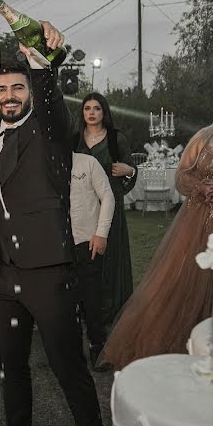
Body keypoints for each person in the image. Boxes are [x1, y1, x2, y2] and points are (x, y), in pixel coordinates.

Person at [0, 21, 103, 426]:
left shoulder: (49, 133)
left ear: (27, 92)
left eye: (16, 87)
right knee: (11, 367)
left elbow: (49, 100)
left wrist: (41, 62)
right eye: (1, 88)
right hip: (4, 277)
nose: (8, 95)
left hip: (49, 272)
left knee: (69, 369)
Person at [100, 92, 213, 371]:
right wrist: (200, 187)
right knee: (182, 281)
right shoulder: (204, 138)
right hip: (194, 223)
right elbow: (181, 176)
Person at [70, 92, 137, 364]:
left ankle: (114, 312)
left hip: (110, 207)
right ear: (83, 113)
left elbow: (131, 169)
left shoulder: (115, 138)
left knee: (112, 259)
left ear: (104, 112)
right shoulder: (75, 140)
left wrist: (128, 171)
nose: (92, 113)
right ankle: (88, 313)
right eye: (87, 108)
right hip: (85, 211)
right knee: (87, 264)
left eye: (97, 108)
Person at [69, 152, 115, 374]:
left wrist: (101, 233)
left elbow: (107, 196)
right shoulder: (42, 165)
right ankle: (71, 354)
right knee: (65, 304)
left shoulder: (87, 162)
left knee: (93, 300)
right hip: (58, 247)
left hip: (88, 243)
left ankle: (98, 348)